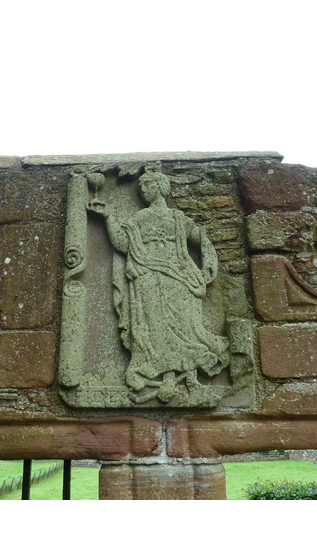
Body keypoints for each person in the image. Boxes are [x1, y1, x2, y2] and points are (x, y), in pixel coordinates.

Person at [89, 163, 229, 403]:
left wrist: (208, 264)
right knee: (155, 330)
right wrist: (109, 217)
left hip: (181, 278)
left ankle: (191, 378)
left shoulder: (177, 218)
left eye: (149, 184)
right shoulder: (139, 219)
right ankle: (166, 379)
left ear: (162, 186)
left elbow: (201, 239)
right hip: (149, 278)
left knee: (187, 328)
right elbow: (123, 244)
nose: (144, 189)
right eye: (142, 186)